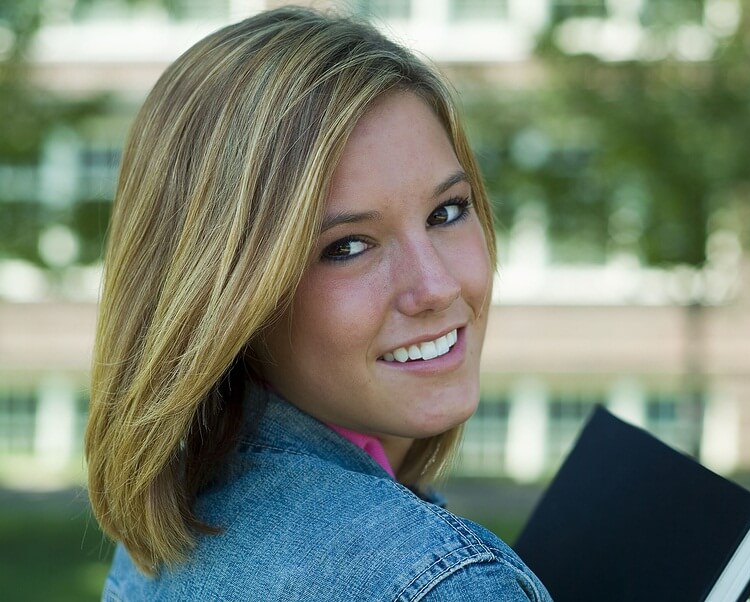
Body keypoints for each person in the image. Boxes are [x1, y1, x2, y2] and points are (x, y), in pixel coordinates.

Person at [85, 6, 552, 601]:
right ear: (228, 299)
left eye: (447, 211)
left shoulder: (175, 515)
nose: (436, 287)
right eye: (349, 246)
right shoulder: (436, 582)